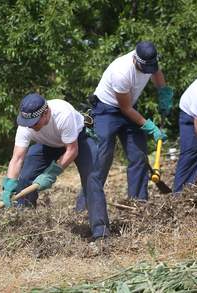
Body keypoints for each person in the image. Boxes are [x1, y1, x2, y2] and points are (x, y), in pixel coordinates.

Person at [81, 41, 172, 218]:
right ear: (135, 59)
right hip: (107, 109)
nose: (149, 69)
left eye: (151, 65)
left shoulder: (149, 60)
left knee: (139, 155)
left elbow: (157, 73)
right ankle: (85, 206)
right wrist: (150, 127)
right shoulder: (121, 71)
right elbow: (125, 109)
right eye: (146, 67)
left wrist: (163, 92)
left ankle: (138, 205)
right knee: (101, 157)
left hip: (129, 106)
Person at [0, 93, 109, 239]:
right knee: (25, 177)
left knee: (91, 179)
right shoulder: (26, 124)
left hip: (79, 140)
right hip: (49, 144)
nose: (30, 127)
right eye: (28, 123)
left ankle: (100, 232)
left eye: (34, 123)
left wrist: (51, 173)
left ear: (46, 113)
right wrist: (9, 183)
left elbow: (72, 150)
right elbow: (17, 157)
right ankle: (24, 225)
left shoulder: (63, 114)